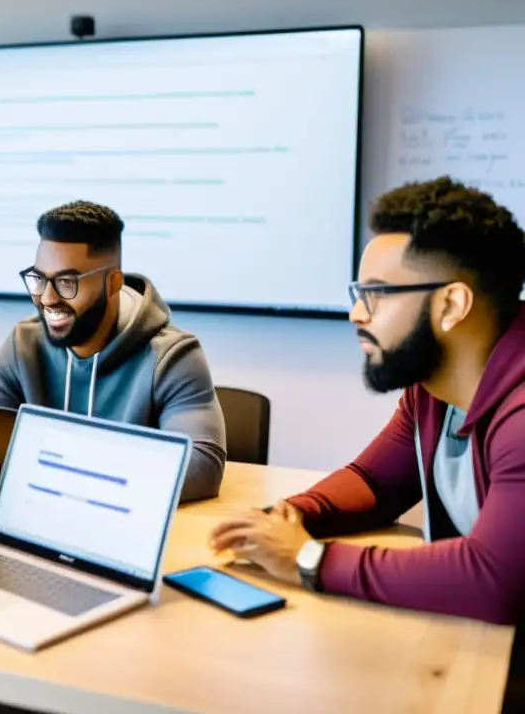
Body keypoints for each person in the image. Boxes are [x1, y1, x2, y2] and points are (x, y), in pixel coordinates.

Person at [209, 176, 525, 624]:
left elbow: (493, 580)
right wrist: (286, 518)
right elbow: (373, 484)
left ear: (452, 305)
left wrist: (309, 559)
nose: (357, 313)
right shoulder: (431, 391)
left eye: (376, 293)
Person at [0, 201, 227, 502]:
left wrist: (56, 471)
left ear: (113, 283)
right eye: (39, 279)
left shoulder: (173, 355)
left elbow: (201, 468)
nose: (47, 298)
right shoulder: (23, 344)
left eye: (67, 282)